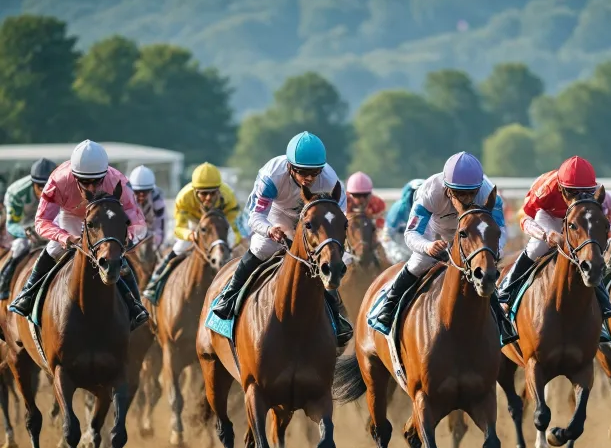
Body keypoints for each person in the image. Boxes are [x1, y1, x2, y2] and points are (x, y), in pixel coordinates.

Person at [210, 132, 353, 347]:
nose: (310, 178)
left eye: (315, 172)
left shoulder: (331, 180)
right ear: (289, 166)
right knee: (261, 249)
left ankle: (336, 315)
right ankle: (228, 297)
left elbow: (338, 218)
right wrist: (270, 230)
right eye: (303, 172)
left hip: (313, 218)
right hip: (276, 215)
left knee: (324, 262)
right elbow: (254, 217)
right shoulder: (271, 175)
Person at [371, 152, 515, 345]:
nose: (466, 199)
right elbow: (411, 233)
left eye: (471, 192)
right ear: (447, 188)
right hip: (435, 231)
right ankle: (388, 306)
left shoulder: (488, 194)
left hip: (472, 234)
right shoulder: (430, 191)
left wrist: (490, 251)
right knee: (419, 262)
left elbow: (500, 230)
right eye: (459, 193)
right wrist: (428, 246)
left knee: (485, 268)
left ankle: (501, 320)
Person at [9, 140, 149, 329]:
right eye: (84, 181)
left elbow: (139, 222)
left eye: (97, 181)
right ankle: (27, 294)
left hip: (103, 218)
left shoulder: (118, 181)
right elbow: (42, 221)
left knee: (117, 256)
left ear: (105, 175)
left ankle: (135, 305)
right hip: (71, 216)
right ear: (74, 175)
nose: (91, 188)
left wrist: (126, 239)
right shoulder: (58, 180)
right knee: (53, 248)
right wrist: (64, 237)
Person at [496, 156, 611, 331]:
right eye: (572, 193)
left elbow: (603, 225)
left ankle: (604, 303)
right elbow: (526, 219)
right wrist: (546, 235)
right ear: (561, 188)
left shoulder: (597, 193)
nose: (578, 196)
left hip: (579, 217)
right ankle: (506, 291)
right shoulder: (545, 188)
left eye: (584, 192)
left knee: (591, 254)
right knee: (537, 248)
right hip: (549, 216)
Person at [142, 162, 240, 303]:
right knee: (179, 247)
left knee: (232, 245)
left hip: (219, 224)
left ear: (219, 190)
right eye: (204, 193)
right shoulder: (184, 197)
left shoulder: (228, 195)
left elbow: (235, 225)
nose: (208, 198)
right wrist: (190, 234)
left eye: (213, 193)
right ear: (195, 191)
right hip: (194, 223)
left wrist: (233, 241)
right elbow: (178, 229)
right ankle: (155, 283)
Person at [0, 158, 57, 299]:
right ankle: (4, 281)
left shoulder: (62, 187)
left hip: (47, 222)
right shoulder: (16, 193)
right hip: (24, 223)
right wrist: (26, 233)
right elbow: (11, 225)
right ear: (33, 184)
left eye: (48, 186)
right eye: (40, 187)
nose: (45, 192)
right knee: (20, 246)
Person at [380, 179, 424, 264]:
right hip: (398, 248)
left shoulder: (431, 210)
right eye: (416, 194)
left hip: (418, 249)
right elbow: (387, 236)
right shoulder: (398, 210)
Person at [128, 165, 166, 249]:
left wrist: (156, 245)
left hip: (149, 230)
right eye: (137, 191)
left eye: (145, 192)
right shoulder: (125, 195)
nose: (141, 195)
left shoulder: (157, 197)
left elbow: (160, 226)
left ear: (151, 190)